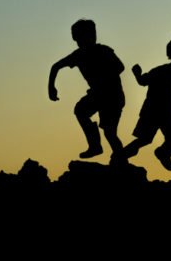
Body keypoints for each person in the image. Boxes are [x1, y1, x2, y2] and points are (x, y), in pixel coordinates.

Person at [48, 19, 125, 161]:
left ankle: (121, 161)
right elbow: (55, 66)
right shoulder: (78, 55)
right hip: (98, 95)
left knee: (109, 132)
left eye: (83, 39)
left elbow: (120, 67)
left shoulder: (104, 51)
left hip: (113, 96)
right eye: (78, 40)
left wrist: (104, 78)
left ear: (92, 37)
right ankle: (95, 145)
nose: (81, 43)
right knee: (80, 110)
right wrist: (51, 88)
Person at [123, 36, 171, 171]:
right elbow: (143, 81)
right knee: (145, 139)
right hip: (152, 112)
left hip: (168, 113)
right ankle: (121, 156)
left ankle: (163, 153)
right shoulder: (160, 71)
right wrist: (137, 74)